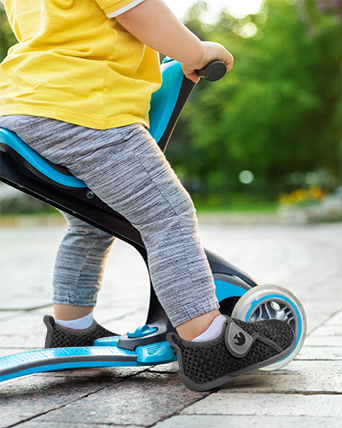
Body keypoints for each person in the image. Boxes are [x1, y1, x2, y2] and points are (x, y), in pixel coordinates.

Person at [0, 0, 294, 391]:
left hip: (24, 105)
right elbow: (135, 8)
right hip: (88, 109)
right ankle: (209, 342)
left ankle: (72, 331)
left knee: (91, 220)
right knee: (167, 215)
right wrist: (195, 51)